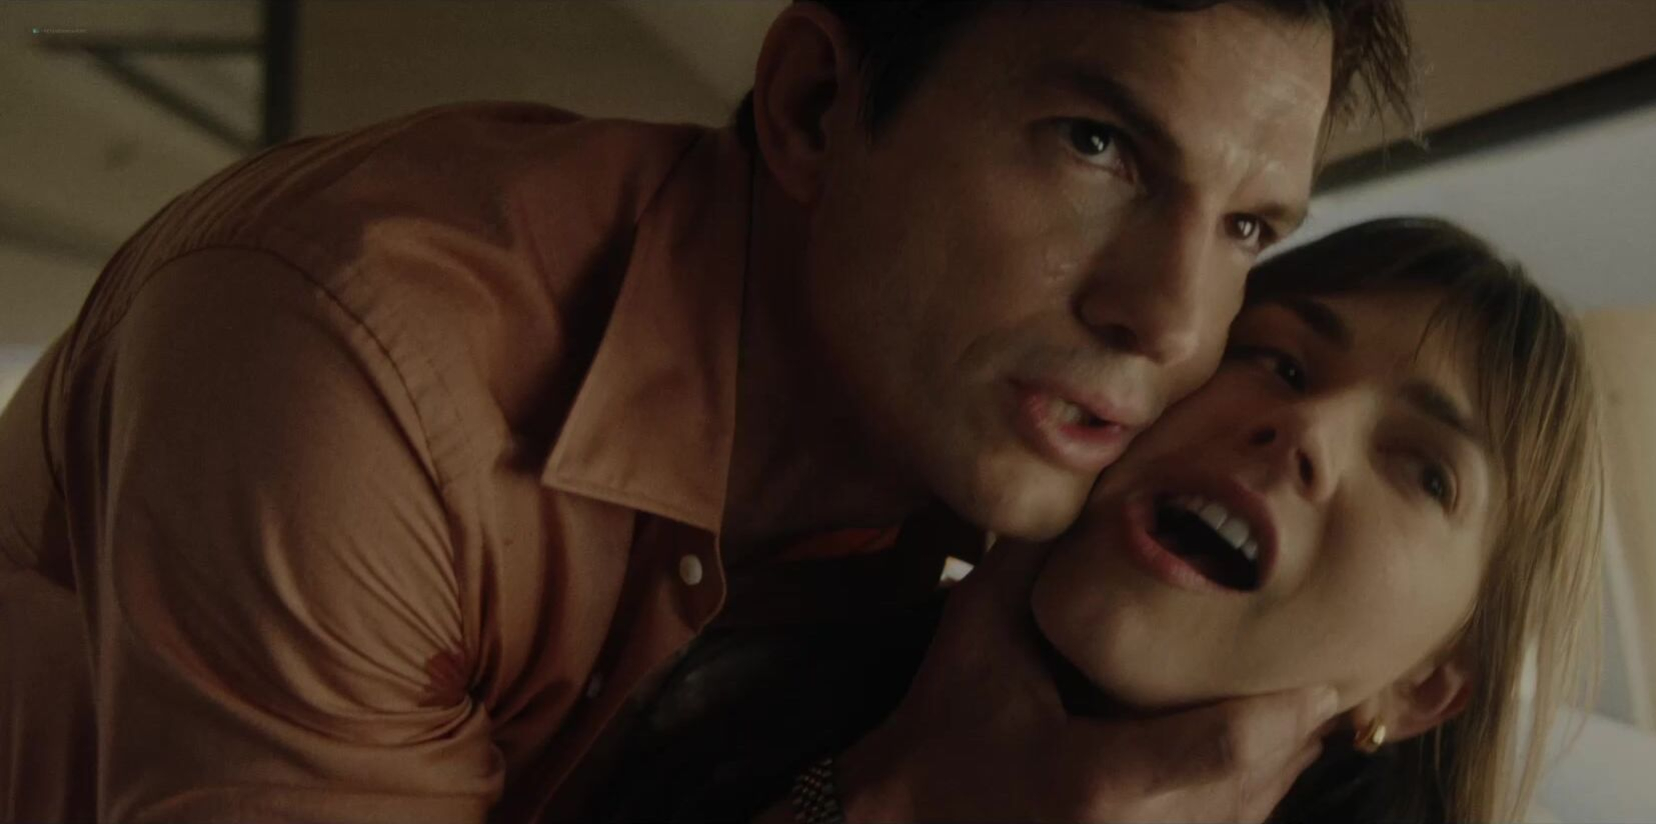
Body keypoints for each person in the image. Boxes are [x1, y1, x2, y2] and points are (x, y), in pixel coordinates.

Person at [0, 1, 1413, 822]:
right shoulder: (360, 364)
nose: (1171, 321)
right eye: (1097, 146)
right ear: (813, 104)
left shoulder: (1011, 503)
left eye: (1247, 228)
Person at [582, 218, 1605, 824]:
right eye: (1278, 361)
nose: (1307, 429)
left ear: (1424, 686)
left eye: (1424, 472)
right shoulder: (724, 656)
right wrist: (897, 796)